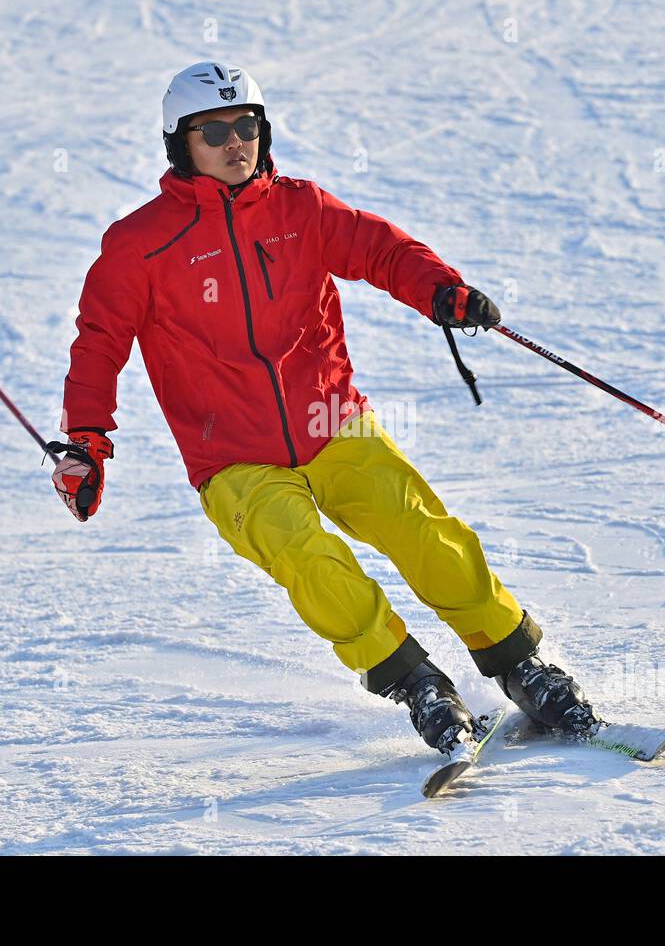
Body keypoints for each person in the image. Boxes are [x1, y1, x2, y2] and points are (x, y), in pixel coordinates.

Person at [53, 60, 604, 755]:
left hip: (330, 422)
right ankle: (417, 683)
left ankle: (520, 665)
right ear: (180, 143)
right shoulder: (140, 244)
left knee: (420, 526)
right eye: (214, 130)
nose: (235, 143)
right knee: (306, 556)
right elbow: (99, 343)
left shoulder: (300, 208)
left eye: (246, 126)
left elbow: (380, 248)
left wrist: (441, 290)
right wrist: (86, 444)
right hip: (232, 457)